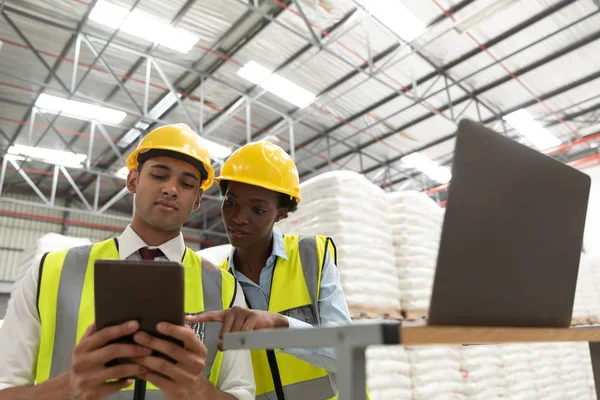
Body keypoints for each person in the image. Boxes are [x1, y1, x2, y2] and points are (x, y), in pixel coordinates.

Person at [0, 124, 255, 400]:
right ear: (132, 180)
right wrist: (68, 387)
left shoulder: (225, 289)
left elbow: (240, 393)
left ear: (197, 200)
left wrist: (198, 391)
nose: (171, 189)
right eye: (159, 175)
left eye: (187, 184)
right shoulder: (51, 270)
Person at [189, 141, 353, 400]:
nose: (239, 218)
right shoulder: (219, 283)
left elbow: (345, 353)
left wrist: (282, 325)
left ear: (280, 214)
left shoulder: (311, 256)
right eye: (231, 203)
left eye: (258, 210)